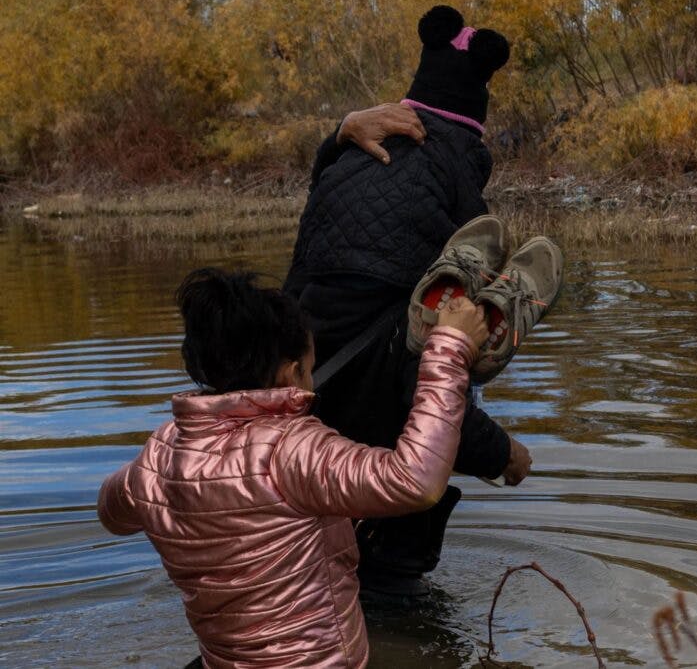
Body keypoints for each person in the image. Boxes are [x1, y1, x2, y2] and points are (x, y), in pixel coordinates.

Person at [96, 267, 488, 667]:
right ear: (290, 373)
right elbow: (415, 481)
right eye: (308, 370)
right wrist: (449, 348)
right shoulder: (290, 449)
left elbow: (111, 514)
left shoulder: (158, 456)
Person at [283, 5, 535, 596]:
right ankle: (398, 611)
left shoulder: (349, 156)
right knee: (390, 584)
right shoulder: (456, 183)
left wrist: (339, 132)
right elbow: (426, 389)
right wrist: (503, 454)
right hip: (379, 437)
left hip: (299, 406)